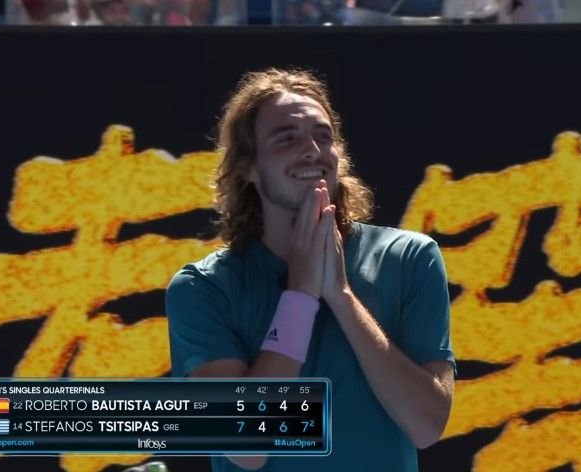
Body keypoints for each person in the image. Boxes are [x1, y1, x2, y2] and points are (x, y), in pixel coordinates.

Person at [165, 68, 456, 471]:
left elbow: (427, 426)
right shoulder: (202, 288)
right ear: (247, 167)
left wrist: (342, 296)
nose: (313, 150)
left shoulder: (410, 257)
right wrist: (300, 295)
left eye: (324, 136)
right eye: (287, 138)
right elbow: (247, 448)